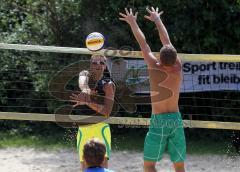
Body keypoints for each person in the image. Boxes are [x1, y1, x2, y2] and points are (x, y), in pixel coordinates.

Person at [119, 7, 186, 172]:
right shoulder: (178, 67)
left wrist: (133, 22)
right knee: (179, 166)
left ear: (160, 60)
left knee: (149, 165)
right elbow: (167, 41)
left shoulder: (154, 67)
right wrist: (157, 19)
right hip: (175, 120)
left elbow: (144, 44)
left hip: (158, 121)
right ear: (175, 57)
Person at [70, 54, 116, 171]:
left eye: (102, 63)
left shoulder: (108, 84)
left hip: (100, 127)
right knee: (85, 168)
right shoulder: (84, 74)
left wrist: (87, 101)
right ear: (90, 65)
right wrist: (86, 91)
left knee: (102, 167)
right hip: (83, 128)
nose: (98, 65)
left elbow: (106, 112)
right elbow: (82, 82)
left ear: (105, 66)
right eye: (95, 62)